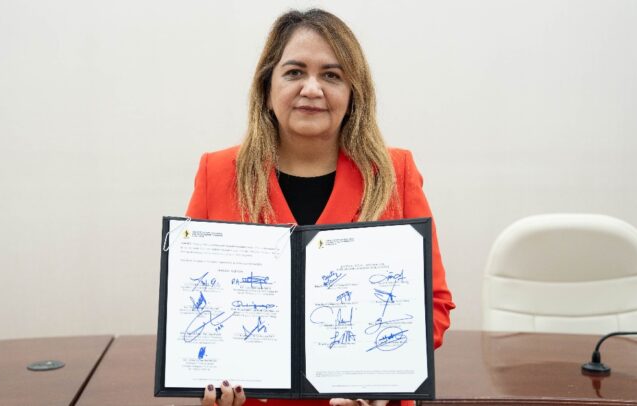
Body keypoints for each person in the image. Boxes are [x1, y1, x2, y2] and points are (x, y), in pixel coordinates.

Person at [186, 8, 455, 406]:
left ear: (353, 93)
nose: (312, 89)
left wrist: (380, 381)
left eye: (331, 75)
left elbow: (434, 305)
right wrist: (208, 380)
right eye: (294, 72)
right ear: (267, 87)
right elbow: (194, 304)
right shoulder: (218, 172)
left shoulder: (394, 172)